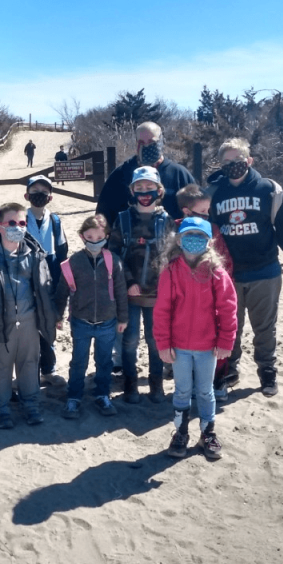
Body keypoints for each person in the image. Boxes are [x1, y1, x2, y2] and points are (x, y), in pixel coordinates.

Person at [205, 138, 283, 398]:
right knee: (229, 326)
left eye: (237, 161)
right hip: (228, 274)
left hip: (264, 271)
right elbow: (206, 227)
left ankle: (267, 370)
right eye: (226, 162)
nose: (232, 166)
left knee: (265, 326)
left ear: (249, 161)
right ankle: (229, 368)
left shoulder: (268, 189)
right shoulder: (214, 192)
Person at [154, 217, 237, 460]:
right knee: (181, 390)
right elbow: (162, 311)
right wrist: (163, 343)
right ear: (179, 240)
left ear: (209, 242)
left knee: (205, 391)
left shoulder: (216, 272)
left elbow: (228, 308)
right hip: (178, 346)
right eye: (188, 236)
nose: (194, 241)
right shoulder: (170, 271)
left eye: (200, 237)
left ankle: (207, 433)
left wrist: (225, 342)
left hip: (207, 346)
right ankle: (180, 432)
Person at [0, 202, 58, 429]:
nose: (17, 227)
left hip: (30, 320)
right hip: (0, 321)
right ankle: (0, 407)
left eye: (22, 223)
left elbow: (45, 286)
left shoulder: (35, 253)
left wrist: (50, 316)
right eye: (11, 223)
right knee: (0, 365)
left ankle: (30, 403)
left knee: (30, 363)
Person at [108, 166, 174, 403]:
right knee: (130, 340)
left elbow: (172, 256)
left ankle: (156, 386)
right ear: (132, 190)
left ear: (159, 190)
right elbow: (114, 255)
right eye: (140, 188)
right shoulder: (123, 219)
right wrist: (129, 281)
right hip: (130, 294)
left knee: (156, 341)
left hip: (158, 294)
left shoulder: (166, 221)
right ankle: (130, 386)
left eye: (150, 188)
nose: (145, 192)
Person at [54, 215, 128, 419]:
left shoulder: (114, 261)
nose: (94, 240)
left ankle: (102, 394)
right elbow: (62, 291)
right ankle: (74, 397)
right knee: (79, 361)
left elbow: (121, 291)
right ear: (82, 236)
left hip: (107, 322)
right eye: (90, 236)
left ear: (106, 236)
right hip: (80, 322)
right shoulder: (73, 263)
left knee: (104, 361)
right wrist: (58, 316)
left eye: (99, 236)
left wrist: (123, 318)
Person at [176, 183, 233, 401]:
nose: (207, 215)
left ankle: (218, 380)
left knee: (215, 340)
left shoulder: (213, 231)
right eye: (202, 211)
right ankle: (188, 383)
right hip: (184, 296)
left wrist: (220, 283)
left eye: (208, 211)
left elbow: (226, 262)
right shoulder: (176, 230)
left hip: (210, 294)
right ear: (186, 211)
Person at [95, 121, 196, 222]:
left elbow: (198, 213)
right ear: (136, 144)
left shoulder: (179, 174)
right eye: (141, 143)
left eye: (152, 142)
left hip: (171, 236)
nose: (146, 146)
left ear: (161, 141)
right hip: (127, 236)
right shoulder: (120, 175)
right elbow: (103, 217)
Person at [24, 175, 68, 386]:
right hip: (27, 277)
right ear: (26, 195)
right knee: (29, 326)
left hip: (49, 278)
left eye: (44, 191)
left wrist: (62, 284)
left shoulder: (55, 221)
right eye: (34, 191)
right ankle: (30, 370)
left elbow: (62, 254)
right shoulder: (21, 219)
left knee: (48, 324)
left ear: (50, 197)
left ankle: (48, 369)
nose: (39, 195)